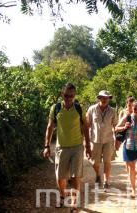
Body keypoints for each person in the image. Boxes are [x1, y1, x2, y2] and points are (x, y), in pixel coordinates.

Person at [43, 83, 91, 212]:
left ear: (74, 95)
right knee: (61, 177)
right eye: (66, 95)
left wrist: (88, 145)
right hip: (61, 148)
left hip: (77, 147)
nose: (69, 98)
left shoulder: (79, 108)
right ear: (61, 94)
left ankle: (74, 203)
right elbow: (50, 127)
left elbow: (85, 127)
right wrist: (47, 146)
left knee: (76, 176)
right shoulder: (56, 108)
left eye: (71, 96)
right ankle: (63, 195)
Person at [86, 90, 118, 191]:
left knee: (107, 161)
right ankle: (98, 175)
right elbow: (87, 125)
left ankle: (106, 181)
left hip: (108, 140)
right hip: (95, 140)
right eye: (102, 97)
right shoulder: (91, 109)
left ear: (109, 99)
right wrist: (85, 142)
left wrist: (117, 140)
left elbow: (115, 125)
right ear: (99, 98)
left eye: (106, 98)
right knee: (95, 162)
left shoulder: (112, 111)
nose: (104, 99)